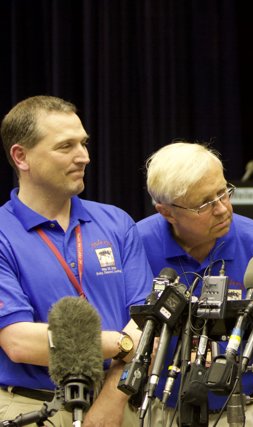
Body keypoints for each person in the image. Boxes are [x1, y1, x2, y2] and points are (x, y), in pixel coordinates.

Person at [0, 95, 153, 426]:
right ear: (21, 156)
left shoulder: (116, 222)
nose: (83, 156)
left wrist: (112, 398)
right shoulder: (2, 233)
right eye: (65, 146)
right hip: (33, 407)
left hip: (120, 399)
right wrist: (118, 343)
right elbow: (19, 341)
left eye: (83, 143)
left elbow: (147, 323)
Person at [136, 141, 253, 426]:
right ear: (166, 212)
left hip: (245, 409)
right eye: (205, 203)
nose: (222, 209)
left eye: (223, 192)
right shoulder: (138, 244)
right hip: (159, 407)